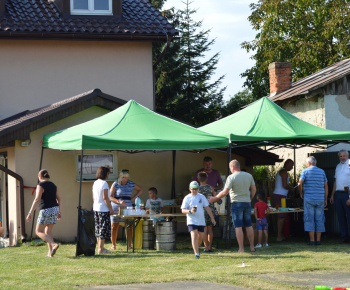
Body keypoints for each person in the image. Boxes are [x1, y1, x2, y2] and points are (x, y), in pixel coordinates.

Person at [209, 160, 256, 253]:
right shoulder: (249, 175)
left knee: (238, 226)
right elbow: (254, 189)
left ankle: (241, 248)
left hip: (236, 203)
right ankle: (252, 247)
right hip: (247, 203)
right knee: (248, 225)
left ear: (232, 167)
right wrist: (250, 198)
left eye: (230, 168)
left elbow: (225, 192)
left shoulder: (231, 177)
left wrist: (215, 198)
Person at [26, 169, 61, 257]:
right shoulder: (53, 185)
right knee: (48, 231)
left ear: (40, 177)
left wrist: (30, 212)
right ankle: (50, 253)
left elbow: (37, 199)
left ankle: (53, 244)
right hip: (55, 209)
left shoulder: (40, 185)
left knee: (38, 231)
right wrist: (59, 211)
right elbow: (59, 199)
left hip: (46, 210)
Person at [181, 181, 216, 259]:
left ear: (198, 189)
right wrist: (190, 211)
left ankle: (196, 248)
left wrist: (212, 218)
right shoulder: (187, 197)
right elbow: (183, 210)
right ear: (190, 189)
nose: (194, 190)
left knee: (200, 237)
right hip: (191, 220)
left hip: (201, 220)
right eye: (193, 189)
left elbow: (207, 207)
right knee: (194, 236)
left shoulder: (201, 197)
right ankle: (197, 254)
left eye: (196, 189)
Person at [110, 169, 143, 250]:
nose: (124, 179)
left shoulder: (131, 184)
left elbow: (140, 190)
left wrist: (133, 198)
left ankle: (129, 245)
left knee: (129, 225)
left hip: (128, 207)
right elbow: (110, 196)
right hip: (116, 206)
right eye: (123, 177)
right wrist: (118, 201)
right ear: (120, 177)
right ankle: (113, 245)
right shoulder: (115, 184)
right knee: (114, 226)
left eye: (126, 178)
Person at [298, 156, 328, 245]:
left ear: (309, 163)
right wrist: (325, 198)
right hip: (320, 198)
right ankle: (318, 240)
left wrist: (301, 193)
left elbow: (300, 183)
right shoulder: (322, 171)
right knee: (320, 218)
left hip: (309, 198)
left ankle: (312, 241)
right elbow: (326, 186)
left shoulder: (305, 171)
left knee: (309, 218)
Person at [92, 166, 114, 254]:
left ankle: (100, 248)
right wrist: (111, 208)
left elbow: (93, 197)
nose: (108, 175)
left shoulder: (95, 183)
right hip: (103, 209)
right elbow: (105, 197)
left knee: (98, 228)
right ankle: (101, 249)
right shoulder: (104, 183)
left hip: (96, 207)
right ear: (105, 174)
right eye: (108, 173)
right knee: (103, 229)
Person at [330, 149, 350, 243]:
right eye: (340, 156)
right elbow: (335, 181)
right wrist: (332, 195)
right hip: (338, 194)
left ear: (347, 156)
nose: (342, 158)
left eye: (344, 156)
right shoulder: (338, 166)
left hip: (347, 194)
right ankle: (344, 237)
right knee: (341, 217)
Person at [272, 159, 295, 242]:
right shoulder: (284, 172)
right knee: (281, 216)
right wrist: (291, 188)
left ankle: (280, 235)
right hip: (280, 196)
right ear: (287, 164)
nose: (292, 168)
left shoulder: (280, 172)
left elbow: (273, 184)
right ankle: (279, 236)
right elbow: (285, 185)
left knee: (281, 215)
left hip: (278, 195)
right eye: (292, 165)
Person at [197, 171, 217, 253]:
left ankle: (206, 247)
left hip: (202, 210)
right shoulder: (211, 188)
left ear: (198, 179)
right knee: (210, 229)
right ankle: (210, 246)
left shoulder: (197, 189)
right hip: (211, 209)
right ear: (207, 179)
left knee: (204, 229)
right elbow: (215, 198)